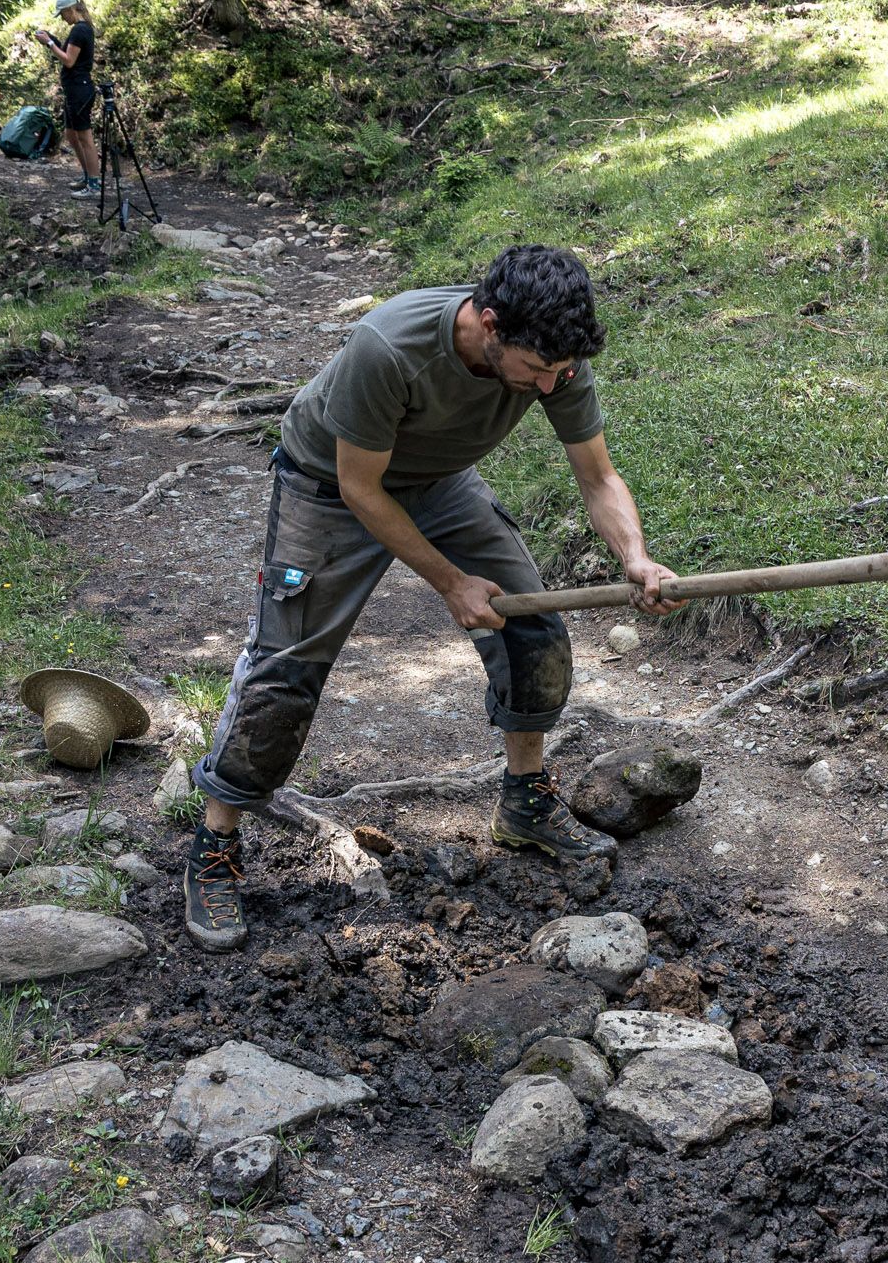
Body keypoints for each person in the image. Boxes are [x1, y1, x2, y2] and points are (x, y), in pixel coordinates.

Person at [181, 244, 682, 953]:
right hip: (329, 484)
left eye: (559, 372)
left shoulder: (556, 354)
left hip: (441, 482)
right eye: (535, 369)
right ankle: (215, 847)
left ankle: (525, 800)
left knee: (533, 629)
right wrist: (451, 582)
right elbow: (360, 490)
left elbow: (598, 477)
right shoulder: (389, 347)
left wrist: (635, 557)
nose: (548, 385)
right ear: (489, 323)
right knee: (284, 670)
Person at [33, 0, 99, 196]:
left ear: (70, 10)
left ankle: (94, 185)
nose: (62, 18)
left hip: (80, 89)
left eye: (62, 14)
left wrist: (49, 43)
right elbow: (67, 53)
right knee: (71, 134)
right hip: (74, 89)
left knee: (84, 136)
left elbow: (69, 61)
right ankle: (87, 176)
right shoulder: (79, 29)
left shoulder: (80, 30)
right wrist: (51, 39)